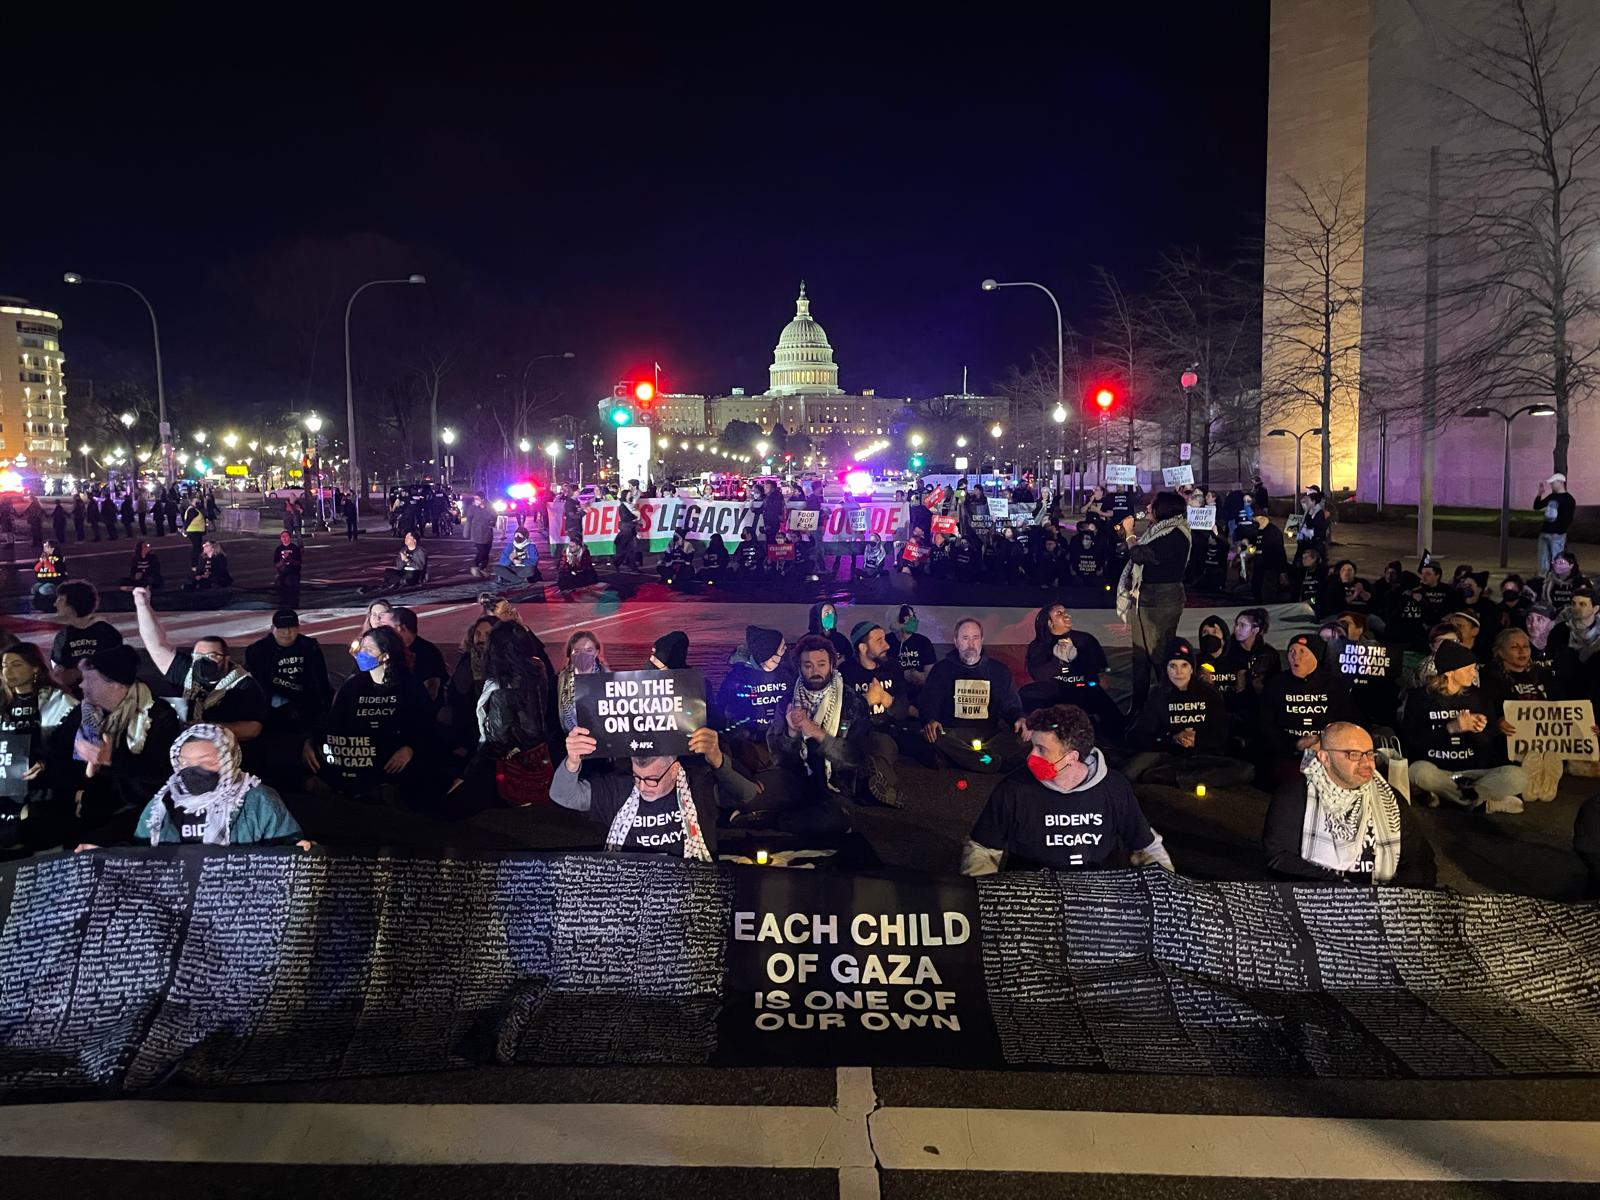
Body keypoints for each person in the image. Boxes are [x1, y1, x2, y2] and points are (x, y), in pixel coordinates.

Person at [962, 703, 1172, 875]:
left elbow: (1147, 847)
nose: (1031, 757)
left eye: (1042, 749)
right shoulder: (1014, 788)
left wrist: (1166, 891)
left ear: (1072, 757)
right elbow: (982, 849)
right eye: (1033, 746)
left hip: (1099, 896)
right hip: (1033, 894)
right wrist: (982, 899)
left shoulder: (1114, 788)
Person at [1263, 721, 1437, 887]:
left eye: (1369, 753)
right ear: (1325, 757)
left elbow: (1419, 859)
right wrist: (1343, 889)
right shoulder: (1295, 794)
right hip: (1320, 898)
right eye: (1353, 754)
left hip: (1382, 900)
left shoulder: (1390, 798)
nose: (1366, 763)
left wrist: (1393, 896)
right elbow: (1280, 858)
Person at [555, 724, 747, 858]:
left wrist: (718, 760)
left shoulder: (698, 786)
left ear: (674, 770)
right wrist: (572, 761)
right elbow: (562, 795)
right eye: (637, 777)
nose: (642, 786)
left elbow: (746, 795)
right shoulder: (616, 789)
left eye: (652, 779)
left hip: (689, 889)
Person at [57, 644, 181, 845]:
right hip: (88, 801)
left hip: (139, 806)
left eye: (89, 679)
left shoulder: (158, 715)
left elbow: (161, 773)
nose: (81, 685)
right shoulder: (85, 713)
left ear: (115, 685)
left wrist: (111, 760)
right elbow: (59, 752)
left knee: (93, 842)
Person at [305, 627, 433, 804]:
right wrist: (311, 742)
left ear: (385, 655)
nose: (361, 654)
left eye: (368, 650)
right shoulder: (353, 686)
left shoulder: (409, 687)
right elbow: (332, 722)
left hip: (391, 767)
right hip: (356, 764)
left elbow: (426, 726)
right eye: (361, 648)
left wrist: (410, 749)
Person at [757, 633, 870, 835]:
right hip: (796, 780)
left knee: (832, 819)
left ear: (832, 665)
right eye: (807, 665)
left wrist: (817, 733)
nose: (815, 671)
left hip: (836, 787)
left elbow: (855, 759)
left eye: (821, 664)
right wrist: (791, 733)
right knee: (757, 791)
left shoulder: (852, 702)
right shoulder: (788, 701)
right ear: (800, 668)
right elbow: (779, 759)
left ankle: (776, 821)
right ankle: (781, 816)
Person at [1402, 638, 1529, 813]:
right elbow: (1413, 740)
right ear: (1450, 672)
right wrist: (1452, 728)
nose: (1473, 673)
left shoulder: (1478, 695)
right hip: (1441, 770)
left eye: (1474, 668)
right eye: (1468, 669)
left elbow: (1487, 742)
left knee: (1518, 777)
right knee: (1418, 772)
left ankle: (1453, 798)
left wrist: (1478, 730)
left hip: (1476, 772)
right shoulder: (1421, 698)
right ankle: (1483, 804)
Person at [132, 724, 304, 847]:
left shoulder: (259, 801)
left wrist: (299, 850)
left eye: (205, 762)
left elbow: (287, 845)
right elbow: (140, 853)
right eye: (184, 763)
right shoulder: (162, 805)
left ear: (229, 760)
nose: (193, 770)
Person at [133, 588, 268, 743]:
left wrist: (209, 728)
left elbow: (253, 729)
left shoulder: (244, 685)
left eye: (212, 656)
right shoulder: (186, 670)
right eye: (199, 656)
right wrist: (142, 605)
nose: (204, 661)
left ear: (226, 658)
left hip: (223, 746)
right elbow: (156, 644)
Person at [452, 621, 552, 811]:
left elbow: (497, 738)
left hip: (510, 772)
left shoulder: (501, 689)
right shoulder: (537, 669)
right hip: (538, 755)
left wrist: (469, 774)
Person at [1123, 638, 1250, 786]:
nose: (1179, 672)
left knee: (1246, 770)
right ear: (1166, 668)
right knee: (1128, 772)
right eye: (1173, 666)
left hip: (1202, 756)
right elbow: (1140, 734)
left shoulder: (1209, 694)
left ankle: (1174, 778)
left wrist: (1197, 740)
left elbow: (1220, 734)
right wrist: (1172, 738)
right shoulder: (1158, 695)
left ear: (1191, 668)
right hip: (1166, 755)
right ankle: (1166, 775)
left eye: (1184, 665)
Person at [918, 618, 1028, 773]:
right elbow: (929, 703)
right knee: (932, 736)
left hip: (989, 735)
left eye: (975, 638)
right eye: (965, 638)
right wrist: (931, 720)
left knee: (1027, 737)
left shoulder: (999, 671)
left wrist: (1020, 718)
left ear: (982, 640)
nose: (971, 644)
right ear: (956, 641)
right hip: (953, 734)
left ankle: (967, 760)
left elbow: (1011, 705)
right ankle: (989, 762)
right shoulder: (941, 670)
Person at [1117, 491, 1192, 715]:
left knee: (1159, 652)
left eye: (1153, 505)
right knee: (1140, 654)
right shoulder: (1157, 531)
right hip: (1145, 596)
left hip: (1162, 599)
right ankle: (1138, 707)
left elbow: (1142, 555)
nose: (1148, 508)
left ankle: (1166, 706)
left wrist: (1130, 534)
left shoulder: (1176, 533)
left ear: (1165, 509)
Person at [1, 643, 74, 855]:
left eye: (16, 665)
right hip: (6, 793)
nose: (8, 672)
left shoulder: (59, 701)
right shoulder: (1, 701)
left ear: (35, 668)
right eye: (4, 665)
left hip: (43, 793)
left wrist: (45, 763)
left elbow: (71, 749)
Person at [1257, 632, 1352, 784]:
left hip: (1327, 753)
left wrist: (1325, 742)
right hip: (1287, 753)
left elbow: (1349, 722)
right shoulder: (1275, 685)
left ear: (1315, 655)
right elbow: (1266, 726)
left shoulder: (1334, 686)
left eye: (1303, 652)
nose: (1296, 657)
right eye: (1291, 651)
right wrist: (1295, 744)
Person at [1021, 603, 1120, 739]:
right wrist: (1059, 660)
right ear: (1049, 622)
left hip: (1083, 691)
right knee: (1027, 694)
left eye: (1065, 612)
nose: (1066, 615)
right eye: (1059, 614)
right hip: (1055, 694)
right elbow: (1039, 676)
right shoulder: (1039, 646)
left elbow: (1100, 673)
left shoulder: (1085, 640)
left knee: (1111, 717)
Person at [840, 620, 908, 808]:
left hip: (885, 730)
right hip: (855, 732)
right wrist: (865, 700)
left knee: (881, 746)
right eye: (879, 641)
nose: (886, 645)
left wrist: (886, 699)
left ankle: (872, 786)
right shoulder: (845, 673)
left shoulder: (893, 668)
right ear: (863, 647)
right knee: (856, 749)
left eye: (885, 639)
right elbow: (840, 713)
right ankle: (875, 787)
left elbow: (903, 711)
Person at [244, 609, 333, 744]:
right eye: (281, 628)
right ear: (272, 628)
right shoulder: (257, 650)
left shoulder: (310, 647)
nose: (287, 633)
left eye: (291, 627)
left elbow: (321, 681)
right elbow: (253, 685)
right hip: (270, 711)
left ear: (297, 628)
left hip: (305, 709)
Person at [714, 625, 795, 746]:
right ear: (769, 655)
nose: (786, 649)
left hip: (783, 739)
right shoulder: (738, 676)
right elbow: (725, 708)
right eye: (782, 648)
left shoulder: (787, 672)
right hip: (750, 743)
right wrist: (744, 734)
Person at [49, 579, 123, 693]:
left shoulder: (107, 633)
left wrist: (79, 672)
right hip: (73, 697)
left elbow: (116, 669)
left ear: (73, 603)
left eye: (61, 599)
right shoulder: (62, 637)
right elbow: (60, 674)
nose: (55, 604)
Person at [1220, 607, 1280, 727]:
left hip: (1257, 708)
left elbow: (1275, 684)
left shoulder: (1268, 655)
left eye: (1242, 625)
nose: (1236, 629)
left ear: (1255, 630)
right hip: (1230, 706)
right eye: (1236, 624)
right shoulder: (1227, 651)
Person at [445, 615, 498, 752]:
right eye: (478, 633)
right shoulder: (467, 661)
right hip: (467, 734)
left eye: (487, 634)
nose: (481, 639)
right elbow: (456, 697)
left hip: (495, 737)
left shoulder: (503, 664)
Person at [391, 606, 449, 706]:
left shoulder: (428, 653)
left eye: (388, 627)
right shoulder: (393, 650)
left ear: (400, 628)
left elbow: (431, 692)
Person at [555, 628, 607, 733]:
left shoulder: (608, 679)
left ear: (596, 652)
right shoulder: (560, 679)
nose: (583, 655)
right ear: (570, 653)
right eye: (577, 651)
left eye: (588, 650)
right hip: (570, 743)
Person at [885, 605, 934, 695]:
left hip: (919, 693)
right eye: (907, 617)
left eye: (913, 616)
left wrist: (917, 676)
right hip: (893, 692)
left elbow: (930, 676)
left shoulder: (923, 642)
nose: (913, 620)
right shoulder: (886, 641)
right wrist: (903, 675)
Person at [1535, 472, 1576, 574]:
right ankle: (1543, 578)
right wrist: (1539, 494)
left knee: (1556, 559)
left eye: (1553, 483)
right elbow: (1537, 506)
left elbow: (1568, 518)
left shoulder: (1568, 499)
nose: (1551, 485)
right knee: (1543, 559)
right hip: (1545, 532)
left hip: (1557, 534)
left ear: (1561, 482)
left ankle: (1556, 578)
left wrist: (1560, 531)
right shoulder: (1552, 496)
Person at [30, 539, 67, 609]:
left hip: (55, 582)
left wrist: (46, 562)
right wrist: (41, 562)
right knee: (34, 588)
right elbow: (36, 569)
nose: (44, 548)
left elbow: (55, 570)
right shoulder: (44, 557)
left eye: (47, 546)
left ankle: (50, 604)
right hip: (43, 581)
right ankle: (37, 604)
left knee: (43, 589)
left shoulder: (58, 558)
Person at [272, 530, 302, 601]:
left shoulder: (295, 548)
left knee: (290, 584)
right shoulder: (278, 549)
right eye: (282, 537)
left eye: (286, 536)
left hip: (293, 572)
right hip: (282, 572)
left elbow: (299, 563)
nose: (284, 538)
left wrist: (290, 560)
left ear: (289, 538)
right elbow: (276, 564)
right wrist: (282, 562)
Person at [182, 495, 206, 568]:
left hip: (196, 531)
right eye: (196, 501)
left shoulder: (194, 509)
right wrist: (184, 530)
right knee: (196, 548)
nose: (198, 502)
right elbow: (188, 521)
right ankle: (195, 564)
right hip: (194, 532)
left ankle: (198, 563)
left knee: (198, 548)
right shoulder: (192, 510)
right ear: (192, 502)